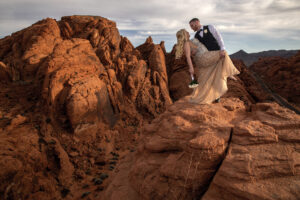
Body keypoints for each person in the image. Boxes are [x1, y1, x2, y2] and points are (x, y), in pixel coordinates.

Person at [175, 28, 239, 104]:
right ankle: (229, 72)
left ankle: (216, 96)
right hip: (203, 57)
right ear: (184, 35)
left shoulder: (191, 41)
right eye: (186, 32)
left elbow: (195, 50)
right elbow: (188, 56)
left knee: (212, 75)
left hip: (203, 58)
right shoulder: (186, 43)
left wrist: (195, 50)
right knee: (223, 53)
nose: (188, 32)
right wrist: (191, 67)